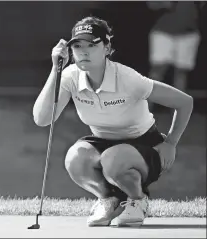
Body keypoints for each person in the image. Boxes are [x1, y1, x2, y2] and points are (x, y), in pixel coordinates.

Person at [33, 16, 193, 227]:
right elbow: (43, 119)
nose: (83, 51)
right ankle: (109, 200)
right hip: (103, 142)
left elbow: (184, 102)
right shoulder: (70, 77)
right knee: (75, 158)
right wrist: (56, 69)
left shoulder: (127, 78)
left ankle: (138, 200)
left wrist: (171, 142)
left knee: (112, 159)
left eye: (92, 44)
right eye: (78, 46)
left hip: (145, 145)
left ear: (107, 48)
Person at [147, 1, 203, 109]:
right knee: (157, 72)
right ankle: (144, 114)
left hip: (189, 33)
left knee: (181, 74)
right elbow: (151, 4)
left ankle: (178, 116)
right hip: (163, 31)